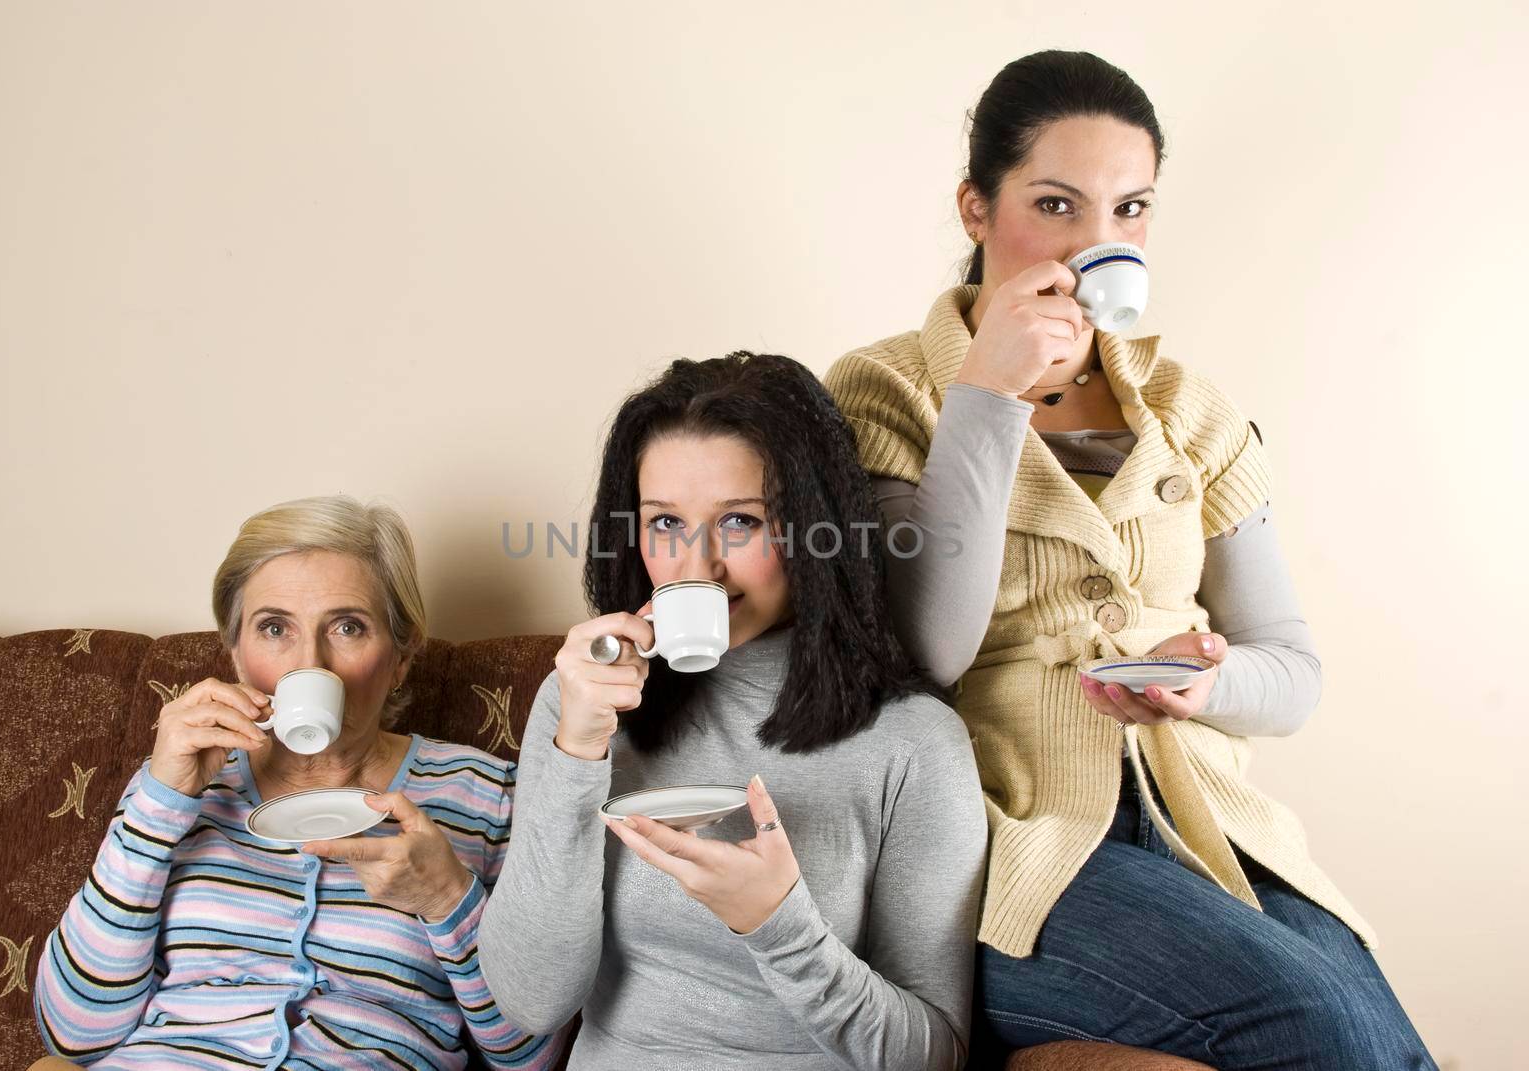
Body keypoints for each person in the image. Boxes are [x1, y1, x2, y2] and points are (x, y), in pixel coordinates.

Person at [824, 50, 1436, 1069]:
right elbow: (923, 649)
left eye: (1130, 209)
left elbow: (1289, 670)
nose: (1097, 243)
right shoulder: (886, 392)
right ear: (976, 209)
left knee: (1375, 1033)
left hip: (1205, 824)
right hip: (1014, 846)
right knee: (1320, 1026)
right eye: (1057, 205)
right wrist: (987, 394)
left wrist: (1210, 681)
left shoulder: (1191, 410)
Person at [476, 352, 987, 1070]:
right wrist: (576, 751)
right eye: (665, 523)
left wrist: (782, 927)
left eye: (741, 521)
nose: (698, 565)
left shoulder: (915, 745)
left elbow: (936, 1055)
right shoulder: (584, 699)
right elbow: (530, 1002)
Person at [32, 496, 563, 1070]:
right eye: (275, 628)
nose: (309, 663)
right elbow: (72, 1035)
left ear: (402, 658)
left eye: (348, 626)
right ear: (236, 655)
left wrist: (447, 901)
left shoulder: (485, 794)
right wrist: (160, 803)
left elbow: (527, 1057)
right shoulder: (180, 783)